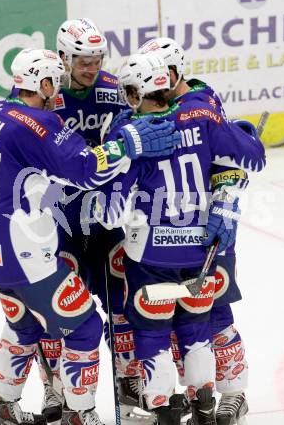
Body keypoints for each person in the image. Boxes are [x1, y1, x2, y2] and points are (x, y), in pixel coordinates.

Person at [0, 47, 179, 425]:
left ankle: (0, 405)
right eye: (53, 83)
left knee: (23, 323)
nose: (57, 92)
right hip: (20, 248)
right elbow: (87, 170)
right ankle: (79, 413)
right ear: (41, 83)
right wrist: (128, 144)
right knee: (86, 324)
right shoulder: (38, 123)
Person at [94, 52, 265, 425]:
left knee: (165, 329)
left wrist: (117, 159)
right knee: (196, 325)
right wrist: (245, 135)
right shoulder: (202, 114)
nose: (125, 98)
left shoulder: (140, 130)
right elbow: (252, 157)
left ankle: (176, 404)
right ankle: (202, 402)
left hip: (155, 252)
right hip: (199, 243)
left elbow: (109, 213)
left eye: (130, 90)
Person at [30, 18, 149, 423]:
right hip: (57, 218)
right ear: (63, 57)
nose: (91, 66)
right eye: (82, 60)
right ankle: (55, 386)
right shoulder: (46, 96)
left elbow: (134, 134)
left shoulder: (114, 89)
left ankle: (127, 376)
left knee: (120, 296)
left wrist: (119, 184)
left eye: (97, 58)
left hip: (103, 213)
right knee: (57, 306)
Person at [137, 37, 254, 425]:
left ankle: (234, 393)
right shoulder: (163, 107)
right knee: (182, 318)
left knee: (217, 312)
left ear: (171, 73)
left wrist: (227, 202)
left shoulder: (202, 104)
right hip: (174, 229)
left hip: (210, 228)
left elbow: (233, 164)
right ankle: (195, 394)